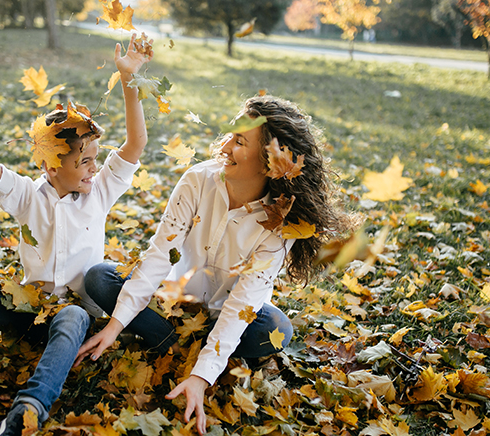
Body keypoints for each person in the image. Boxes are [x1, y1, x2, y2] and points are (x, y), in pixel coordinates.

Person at [0, 33, 154, 436]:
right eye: (84, 162)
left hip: (72, 323)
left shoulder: (100, 193)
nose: (93, 169)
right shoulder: (27, 194)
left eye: (95, 159)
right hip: (25, 312)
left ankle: (28, 409)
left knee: (75, 312)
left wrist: (128, 79)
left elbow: (136, 143)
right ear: (51, 167)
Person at [76, 95, 359, 435]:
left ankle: (187, 348)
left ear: (270, 163)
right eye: (230, 135)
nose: (224, 146)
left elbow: (243, 304)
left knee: (277, 330)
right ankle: (178, 343)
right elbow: (158, 256)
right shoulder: (197, 180)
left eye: (239, 141)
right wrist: (114, 326)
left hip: (229, 314)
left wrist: (200, 377)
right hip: (172, 303)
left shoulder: (281, 222)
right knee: (100, 278)